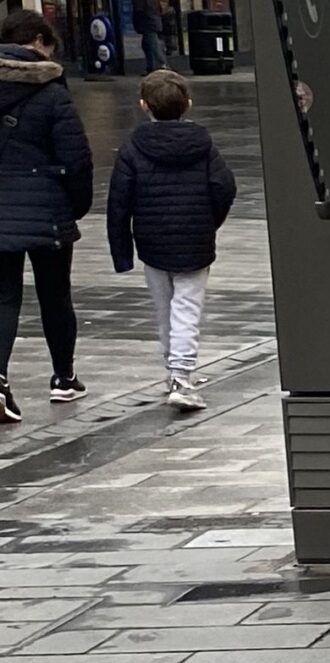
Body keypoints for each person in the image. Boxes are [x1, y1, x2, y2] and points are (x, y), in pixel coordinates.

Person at [105, 70, 237, 412]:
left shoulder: (133, 147)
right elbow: (224, 187)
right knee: (187, 308)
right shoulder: (204, 145)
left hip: (152, 240)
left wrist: (122, 252)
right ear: (188, 104)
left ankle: (173, 370)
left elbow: (119, 201)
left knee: (164, 310)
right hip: (194, 239)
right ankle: (181, 374)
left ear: (144, 106)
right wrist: (209, 222)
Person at [0, 11, 93, 423]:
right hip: (48, 209)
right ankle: (63, 378)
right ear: (39, 42)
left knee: (3, 297)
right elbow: (77, 158)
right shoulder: (53, 93)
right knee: (55, 295)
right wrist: (76, 206)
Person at [128, 0, 166, 75]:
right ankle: (151, 67)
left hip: (147, 22)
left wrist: (137, 22)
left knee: (152, 45)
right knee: (148, 44)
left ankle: (162, 64)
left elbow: (139, 9)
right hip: (154, 21)